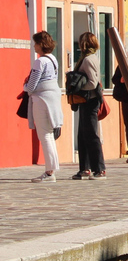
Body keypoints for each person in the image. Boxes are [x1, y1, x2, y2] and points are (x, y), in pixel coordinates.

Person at [24, 31, 63, 183]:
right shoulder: (53, 59)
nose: (34, 46)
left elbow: (32, 84)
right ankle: (51, 169)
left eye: (35, 43)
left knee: (44, 134)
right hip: (52, 99)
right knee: (49, 134)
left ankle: (49, 172)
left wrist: (24, 87)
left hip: (41, 100)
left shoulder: (40, 62)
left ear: (41, 44)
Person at [72, 32, 106, 180]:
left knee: (91, 135)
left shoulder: (87, 60)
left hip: (90, 100)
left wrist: (78, 88)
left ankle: (99, 169)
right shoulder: (91, 58)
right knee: (82, 135)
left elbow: (92, 82)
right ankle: (84, 168)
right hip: (86, 101)